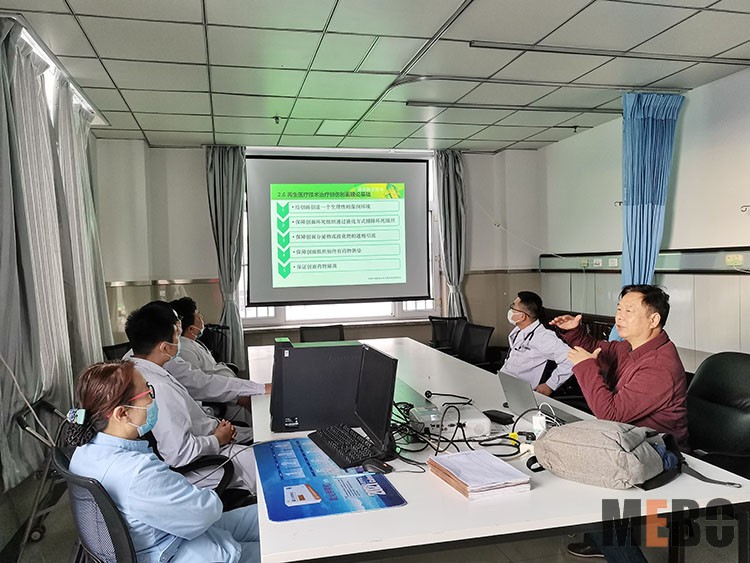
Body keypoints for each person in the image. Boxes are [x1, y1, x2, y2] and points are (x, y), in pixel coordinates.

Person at [67, 361, 260, 562]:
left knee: (263, 517)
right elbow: (204, 513)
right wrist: (195, 494)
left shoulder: (83, 452)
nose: (153, 399)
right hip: (177, 550)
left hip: (170, 533)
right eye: (147, 393)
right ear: (122, 413)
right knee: (273, 547)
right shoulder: (137, 473)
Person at [550, 284, 689, 562]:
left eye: (629, 311)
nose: (619, 317)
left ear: (653, 319)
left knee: (587, 482)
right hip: (631, 440)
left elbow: (610, 413)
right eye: (618, 309)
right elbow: (599, 349)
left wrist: (584, 366)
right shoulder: (632, 347)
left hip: (661, 452)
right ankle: (601, 541)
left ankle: (617, 549)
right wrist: (575, 332)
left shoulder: (659, 365)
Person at [125, 302, 266, 492]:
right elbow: (178, 454)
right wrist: (217, 439)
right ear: (165, 347)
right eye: (177, 335)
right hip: (205, 463)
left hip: (208, 440)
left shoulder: (136, 367)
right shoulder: (159, 387)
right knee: (273, 465)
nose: (180, 340)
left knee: (266, 442)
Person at [170, 297, 252, 425]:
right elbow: (199, 385)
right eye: (198, 315)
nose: (201, 317)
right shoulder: (184, 350)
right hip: (226, 402)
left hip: (230, 391)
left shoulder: (192, 343)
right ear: (191, 329)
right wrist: (236, 397)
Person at [501, 291, 574, 396]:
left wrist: (550, 385)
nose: (510, 310)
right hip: (505, 383)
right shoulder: (521, 330)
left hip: (521, 392)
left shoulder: (543, 337)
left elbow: (571, 359)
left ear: (522, 316)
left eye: (513, 307)